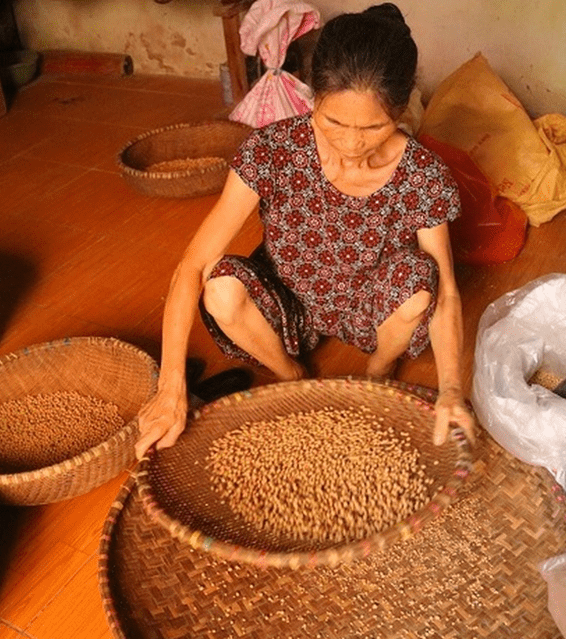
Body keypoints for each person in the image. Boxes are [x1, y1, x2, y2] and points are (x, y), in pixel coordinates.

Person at [134, 3, 477, 460]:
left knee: (421, 287)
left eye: (374, 127)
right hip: (289, 297)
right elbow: (193, 265)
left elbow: (448, 292)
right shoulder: (273, 150)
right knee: (219, 289)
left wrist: (451, 388)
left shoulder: (423, 174)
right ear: (312, 98)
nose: (352, 143)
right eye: (333, 122)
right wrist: (170, 387)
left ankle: (378, 369)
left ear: (402, 109)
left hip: (367, 302)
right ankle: (289, 372)